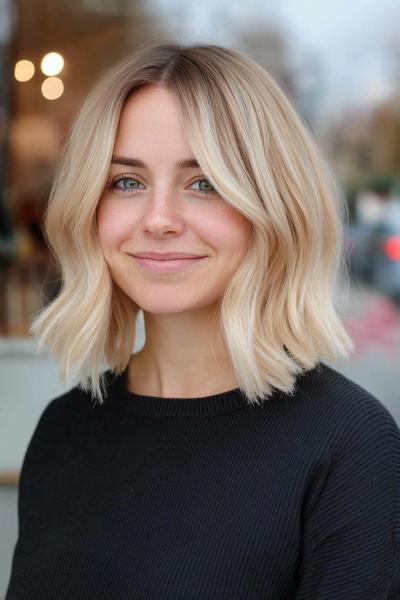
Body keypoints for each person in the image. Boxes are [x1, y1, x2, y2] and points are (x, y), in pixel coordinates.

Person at [6, 40, 400, 599]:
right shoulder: (63, 431)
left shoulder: (348, 445)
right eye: (127, 182)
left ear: (274, 207)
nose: (159, 219)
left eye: (204, 183)